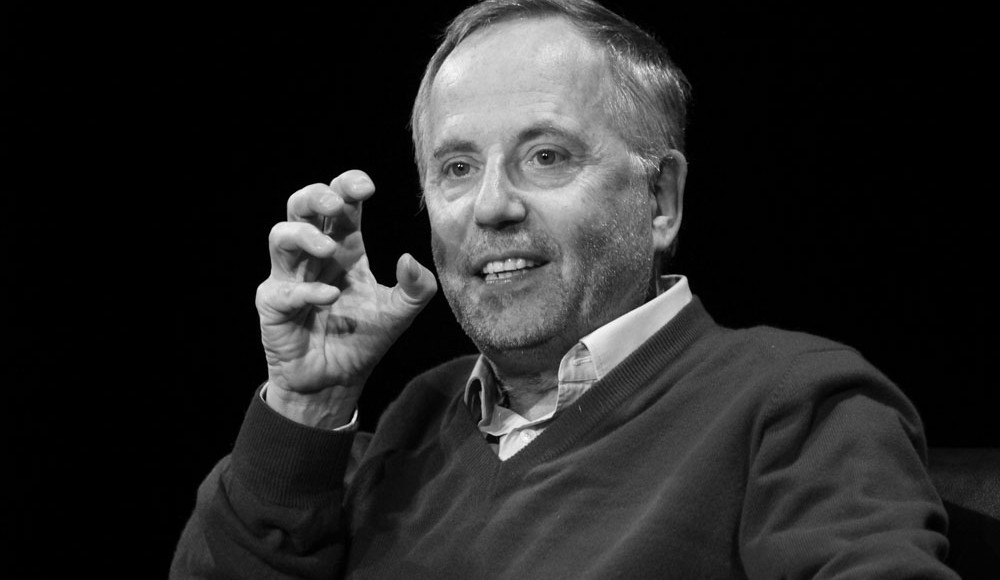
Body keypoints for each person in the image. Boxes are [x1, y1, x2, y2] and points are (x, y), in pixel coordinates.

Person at [171, 1, 958, 577]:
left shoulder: (798, 405)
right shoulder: (412, 424)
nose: (491, 206)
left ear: (661, 200)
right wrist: (307, 406)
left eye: (546, 156)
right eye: (456, 168)